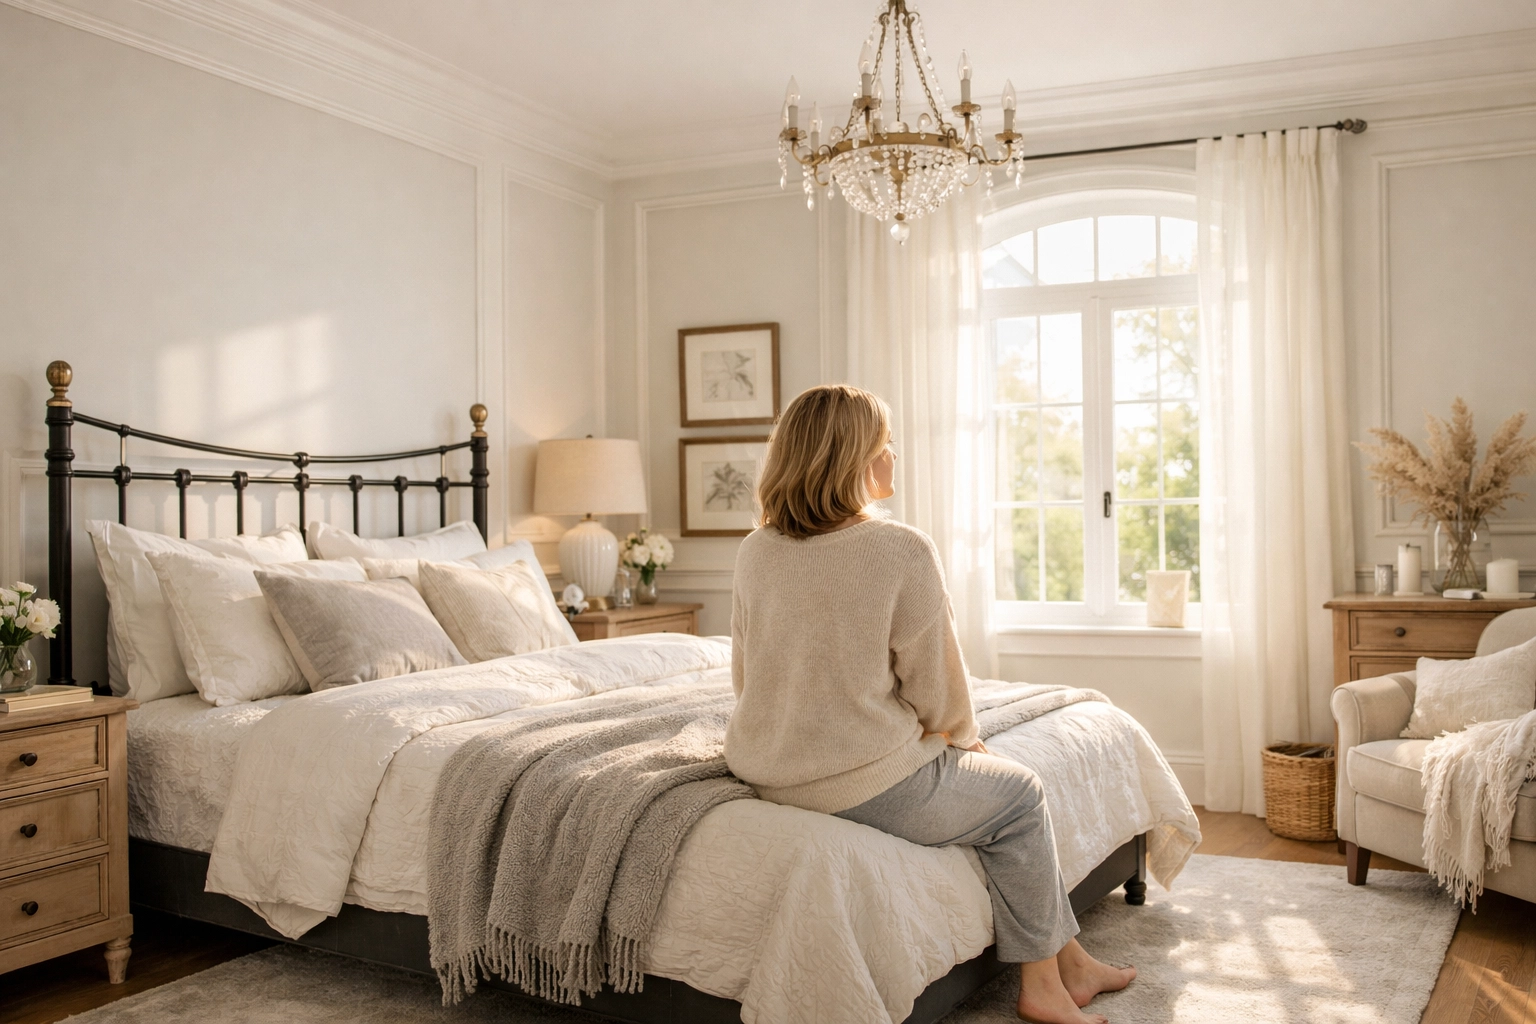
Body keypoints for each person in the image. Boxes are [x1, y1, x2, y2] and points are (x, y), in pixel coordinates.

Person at [724, 384, 1135, 1024]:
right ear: (854, 458)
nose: (894, 456)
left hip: (770, 771)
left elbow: (746, 676)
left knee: (998, 793)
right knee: (1020, 794)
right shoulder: (900, 549)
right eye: (885, 445)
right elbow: (936, 683)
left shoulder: (756, 548)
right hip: (859, 781)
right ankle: (1044, 990)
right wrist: (961, 738)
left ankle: (1073, 964)